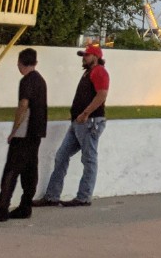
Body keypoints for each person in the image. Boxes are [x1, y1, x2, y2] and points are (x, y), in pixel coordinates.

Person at [37, 43, 109, 208]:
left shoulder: (99, 71)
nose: (84, 58)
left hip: (89, 122)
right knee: (62, 155)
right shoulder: (89, 72)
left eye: (86, 55)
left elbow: (102, 94)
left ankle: (84, 197)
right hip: (79, 122)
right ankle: (52, 196)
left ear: (95, 57)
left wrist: (86, 113)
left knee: (89, 159)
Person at [0, 47, 47, 222]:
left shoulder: (26, 81)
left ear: (20, 63)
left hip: (24, 132)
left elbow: (23, 105)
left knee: (11, 169)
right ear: (35, 63)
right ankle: (25, 206)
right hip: (37, 132)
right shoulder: (41, 80)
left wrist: (14, 130)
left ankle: (2, 208)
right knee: (30, 169)